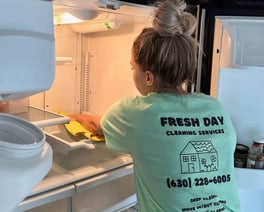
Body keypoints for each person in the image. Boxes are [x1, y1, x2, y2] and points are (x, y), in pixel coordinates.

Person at [71, 0, 241, 211]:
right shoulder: (216, 108)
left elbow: (97, 125)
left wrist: (72, 117)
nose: (132, 73)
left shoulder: (135, 112)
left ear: (149, 77)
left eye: (132, 67)